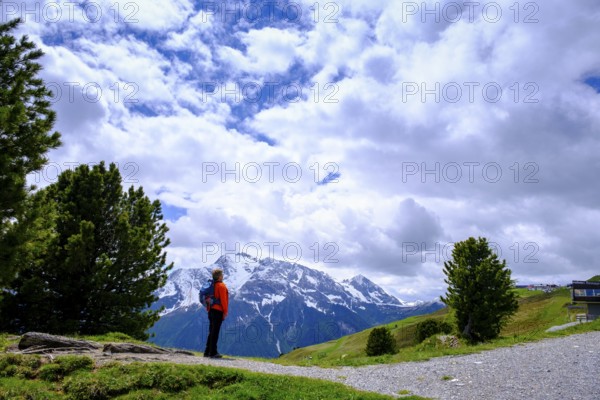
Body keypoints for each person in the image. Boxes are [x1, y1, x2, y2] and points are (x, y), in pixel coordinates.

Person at [204, 268, 229, 358]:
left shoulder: (211, 286)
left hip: (211, 310)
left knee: (211, 331)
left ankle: (207, 351)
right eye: (222, 275)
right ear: (219, 277)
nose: (223, 276)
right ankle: (213, 352)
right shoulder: (221, 286)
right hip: (218, 311)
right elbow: (223, 301)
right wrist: (225, 312)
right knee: (215, 332)